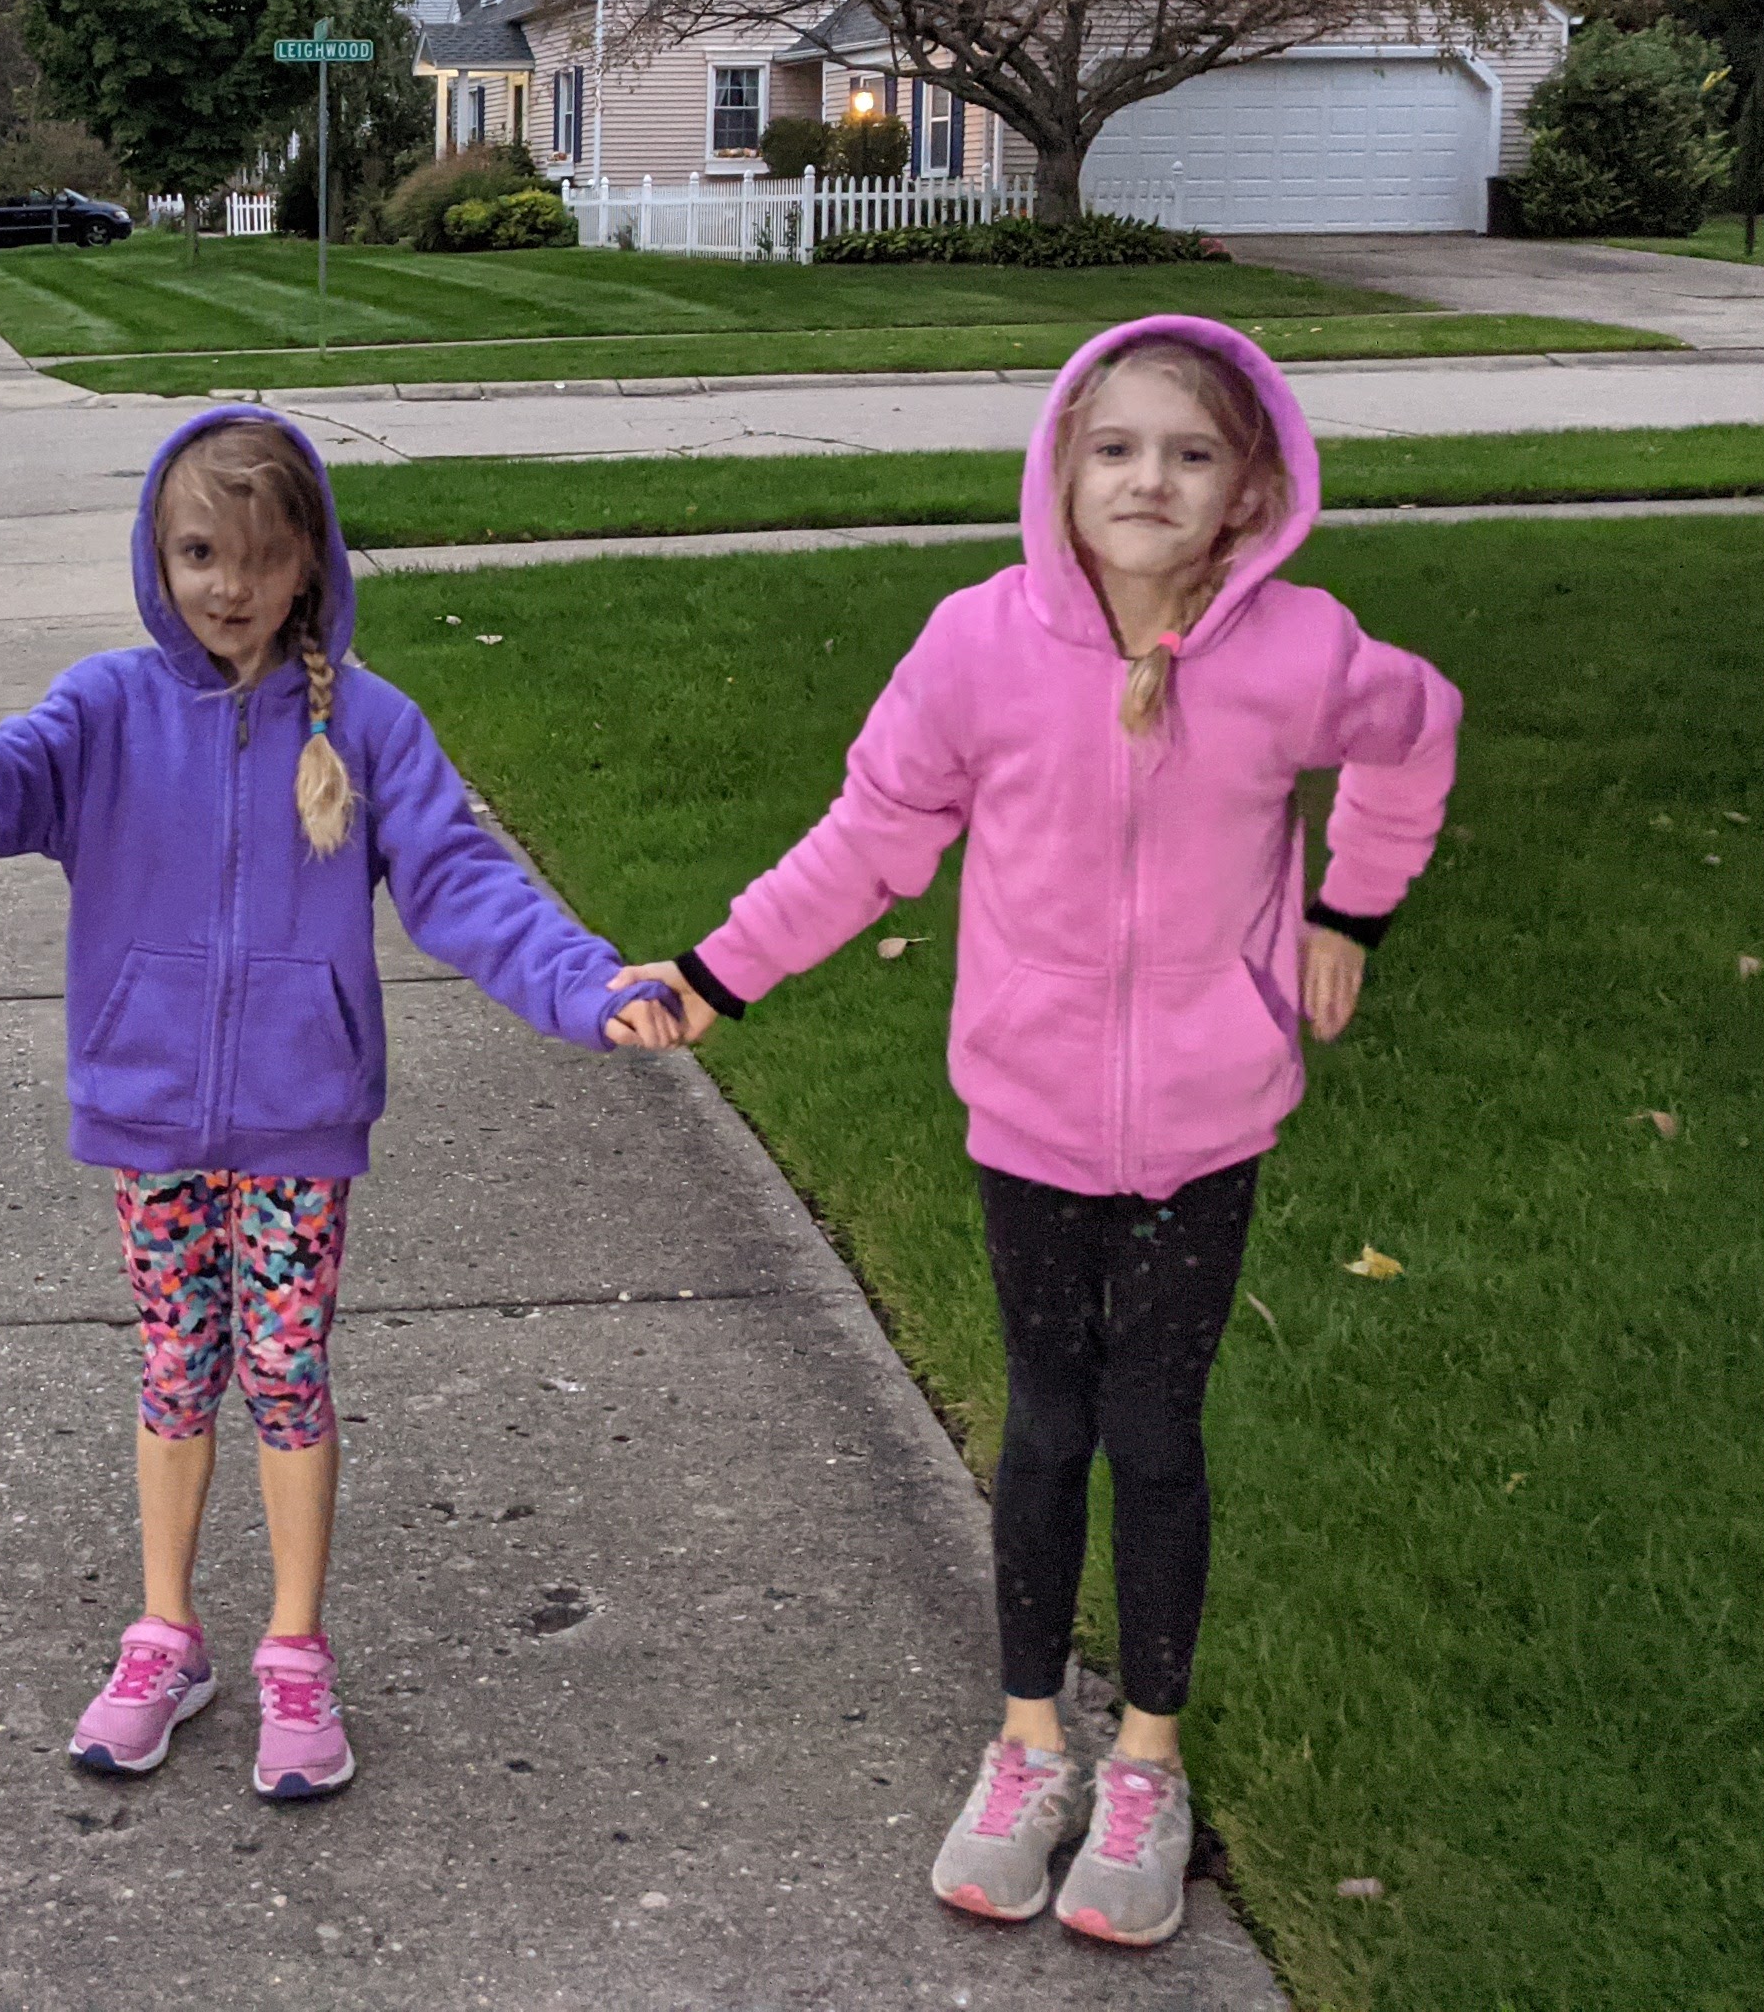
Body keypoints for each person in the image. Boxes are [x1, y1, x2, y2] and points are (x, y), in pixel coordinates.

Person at [621, 318, 1458, 1949]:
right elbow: (868, 838)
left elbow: (1417, 732)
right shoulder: (977, 648)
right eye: (1117, 448)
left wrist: (1352, 907)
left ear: (1251, 492)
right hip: (1030, 1115)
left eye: (1192, 454)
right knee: (1048, 1425)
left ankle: (1146, 1763)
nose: (1150, 480)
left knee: (1158, 1432)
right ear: (1063, 472)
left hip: (1209, 1121)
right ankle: (1028, 1746)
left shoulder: (1301, 653)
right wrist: (719, 975)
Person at [0, 407, 692, 1801]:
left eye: (262, 556)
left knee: (286, 1370)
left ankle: (295, 1650)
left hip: (296, 1124)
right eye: (200, 552)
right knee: (174, 1363)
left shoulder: (372, 728)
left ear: (310, 561)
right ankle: (166, 1637)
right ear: (159, 554)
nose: (230, 585)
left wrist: (582, 985)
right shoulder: (106, 712)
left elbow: (464, 884)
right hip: (149, 1116)